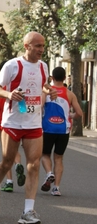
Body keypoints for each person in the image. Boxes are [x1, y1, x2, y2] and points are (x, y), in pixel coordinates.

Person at [0, 31, 57, 224]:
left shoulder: (43, 66)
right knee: (7, 162)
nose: (41, 50)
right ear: (27, 46)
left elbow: (41, 84)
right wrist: (9, 94)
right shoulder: (12, 65)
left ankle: (28, 212)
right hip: (13, 122)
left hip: (34, 123)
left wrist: (47, 90)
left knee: (33, 165)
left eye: (43, 46)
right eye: (37, 46)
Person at [41, 67, 82, 196]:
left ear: (52, 78)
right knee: (59, 158)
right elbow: (79, 113)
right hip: (63, 130)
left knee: (45, 154)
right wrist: (70, 116)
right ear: (65, 78)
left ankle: (49, 173)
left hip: (47, 128)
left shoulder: (47, 91)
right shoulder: (70, 94)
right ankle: (56, 188)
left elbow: (40, 106)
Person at [0, 61, 26, 192]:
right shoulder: (17, 85)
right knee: (14, 150)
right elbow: (23, 106)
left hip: (2, 121)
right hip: (17, 121)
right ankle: (19, 164)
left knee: (6, 153)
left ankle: (9, 182)